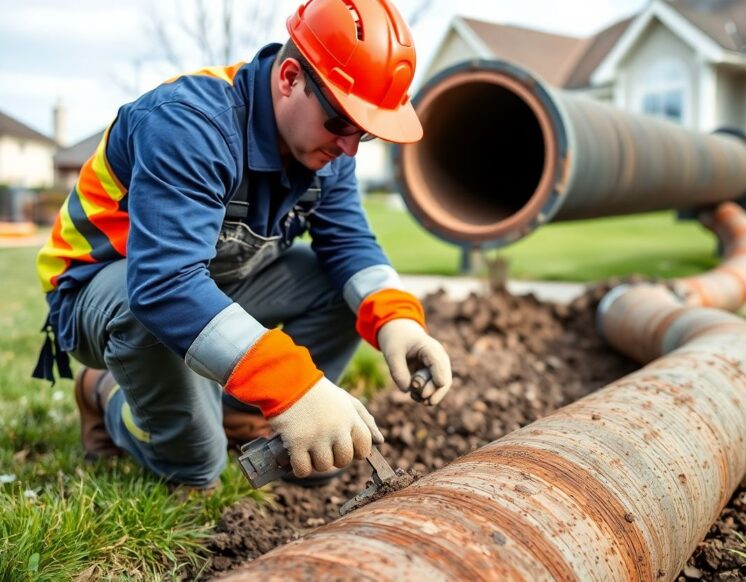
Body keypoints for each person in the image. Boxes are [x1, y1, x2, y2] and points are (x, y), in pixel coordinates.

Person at [32, 0, 452, 490]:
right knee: (196, 470)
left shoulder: (328, 149)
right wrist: (294, 386)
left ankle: (237, 416)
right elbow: (164, 286)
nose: (350, 148)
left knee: (341, 289)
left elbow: (348, 244)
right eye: (342, 122)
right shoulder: (189, 125)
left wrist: (399, 322)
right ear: (290, 78)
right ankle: (106, 395)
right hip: (104, 291)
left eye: (366, 132)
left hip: (211, 282)